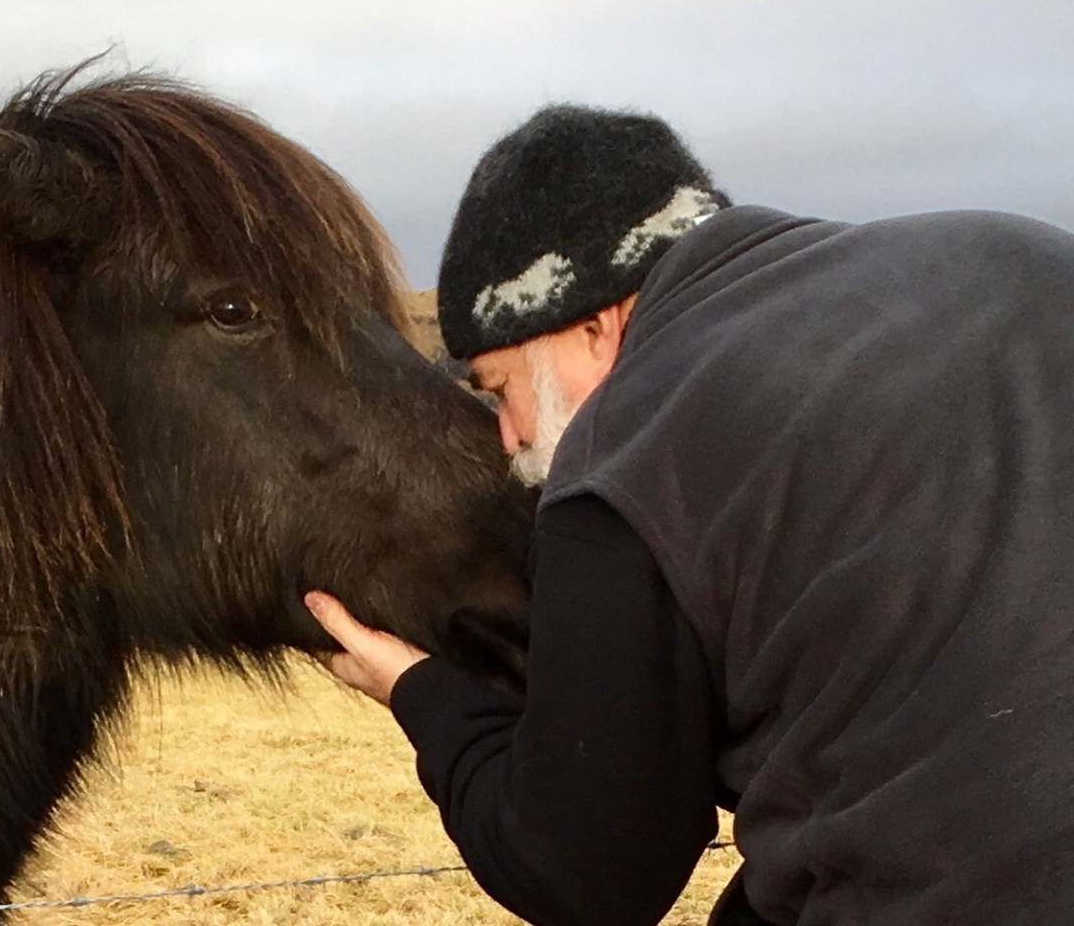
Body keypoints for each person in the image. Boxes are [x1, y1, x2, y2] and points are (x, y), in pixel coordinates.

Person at [305, 104, 1074, 926]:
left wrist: (424, 695)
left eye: (501, 389)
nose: (510, 436)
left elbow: (586, 871)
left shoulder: (628, 454)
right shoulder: (1024, 255)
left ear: (594, 326)